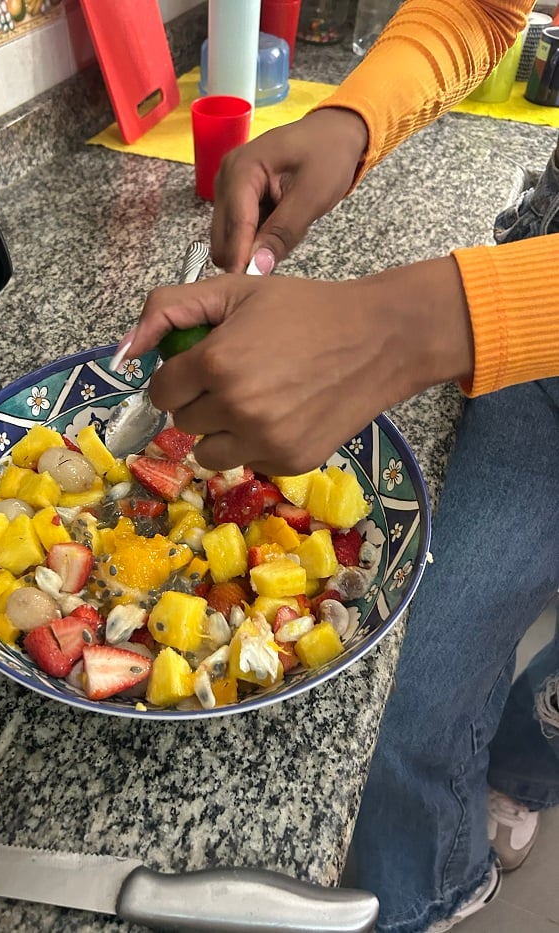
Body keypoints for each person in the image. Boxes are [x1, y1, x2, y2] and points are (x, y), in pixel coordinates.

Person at [112, 1, 559, 929]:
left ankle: (528, 764)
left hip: (496, 312)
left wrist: (411, 323)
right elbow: (484, 7)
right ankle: (437, 880)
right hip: (536, 340)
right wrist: (350, 121)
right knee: (414, 682)